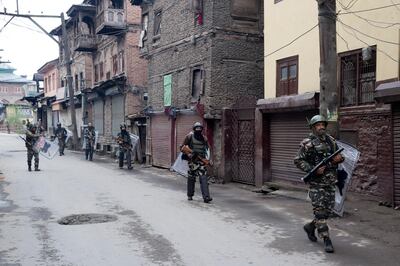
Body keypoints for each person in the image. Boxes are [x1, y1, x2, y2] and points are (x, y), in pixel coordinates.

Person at [294, 115, 344, 253]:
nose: (321, 127)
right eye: (318, 125)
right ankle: (326, 239)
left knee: (327, 211)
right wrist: (312, 170)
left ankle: (310, 227)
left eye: (323, 124)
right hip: (317, 183)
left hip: (330, 181)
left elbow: (339, 156)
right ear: (313, 127)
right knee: (320, 213)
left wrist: (338, 159)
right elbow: (298, 160)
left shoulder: (331, 141)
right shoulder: (307, 143)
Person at [181, 122, 212, 203]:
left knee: (203, 178)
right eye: (197, 129)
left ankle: (206, 197)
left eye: (200, 129)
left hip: (201, 161)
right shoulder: (189, 137)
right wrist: (189, 154)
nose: (198, 130)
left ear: (201, 129)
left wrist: (208, 159)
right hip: (192, 162)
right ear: (194, 129)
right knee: (191, 178)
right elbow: (181, 147)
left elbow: (207, 149)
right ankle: (190, 195)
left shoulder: (204, 138)